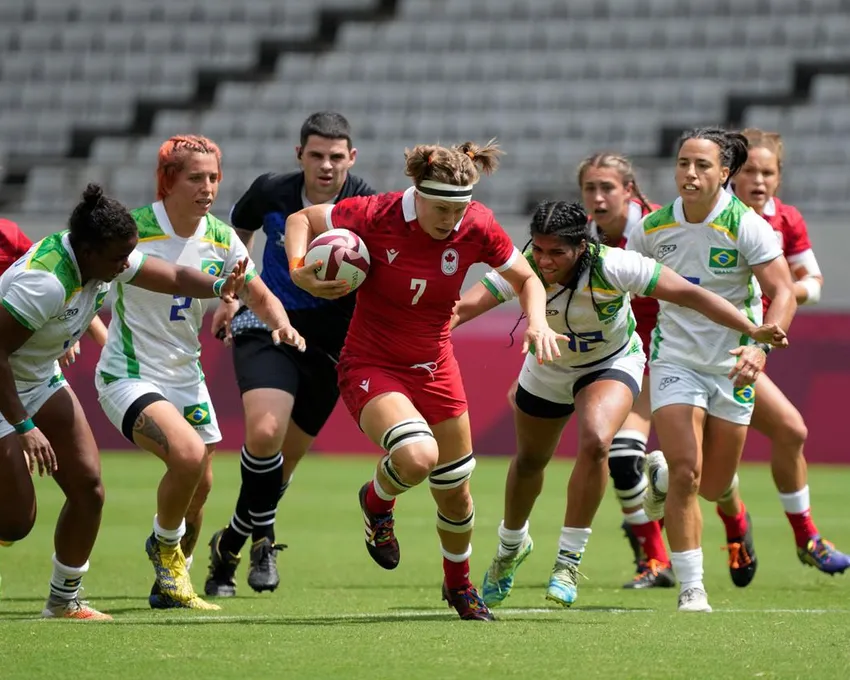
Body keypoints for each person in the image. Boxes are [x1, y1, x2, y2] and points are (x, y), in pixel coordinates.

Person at [451, 200, 784, 608]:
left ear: (581, 246)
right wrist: (423, 335)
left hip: (612, 361)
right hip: (549, 368)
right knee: (530, 462)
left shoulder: (616, 265)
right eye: (538, 249)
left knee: (596, 442)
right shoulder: (525, 267)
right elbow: (465, 307)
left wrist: (752, 328)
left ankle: (567, 563)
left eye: (557, 252)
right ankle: (510, 547)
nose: (545, 260)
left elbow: (690, 294)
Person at [285, 139, 563, 621]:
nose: (451, 220)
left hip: (436, 365)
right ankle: (376, 503)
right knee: (417, 455)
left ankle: (459, 586)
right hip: (371, 362)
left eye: (460, 208)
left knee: (455, 489)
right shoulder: (377, 213)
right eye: (441, 208)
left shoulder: (476, 223)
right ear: (418, 193)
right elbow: (302, 220)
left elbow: (528, 278)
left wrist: (536, 321)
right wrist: (298, 271)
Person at [0, 183, 246, 620]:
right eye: (117, 258)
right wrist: (23, 426)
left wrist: (220, 285)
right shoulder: (44, 282)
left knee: (89, 488)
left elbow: (170, 276)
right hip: (4, 386)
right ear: (90, 249)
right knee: (15, 522)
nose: (123, 266)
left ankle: (63, 601)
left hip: (37, 378)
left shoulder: (99, 254)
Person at [95, 136, 305, 610]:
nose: (208, 187)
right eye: (195, 177)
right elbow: (150, 280)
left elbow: (256, 291)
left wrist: (282, 324)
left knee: (201, 485)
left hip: (184, 376)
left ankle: (173, 582)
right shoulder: (135, 230)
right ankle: (162, 547)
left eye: (213, 177)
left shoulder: (220, 236)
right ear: (169, 180)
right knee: (188, 457)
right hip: (129, 373)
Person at [205, 112, 375, 597]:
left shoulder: (364, 202)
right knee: (264, 432)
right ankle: (266, 540)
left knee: (278, 471)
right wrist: (230, 296)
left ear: (351, 158)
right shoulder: (271, 190)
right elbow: (238, 229)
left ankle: (230, 547)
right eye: (316, 155)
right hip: (267, 325)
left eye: (336, 157)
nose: (326, 165)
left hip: (332, 345)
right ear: (298, 154)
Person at [633, 127, 796, 612]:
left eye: (703, 165)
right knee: (688, 471)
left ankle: (660, 482)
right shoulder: (652, 228)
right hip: (676, 359)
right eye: (684, 163)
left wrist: (759, 350)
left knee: (711, 484)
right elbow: (622, 288)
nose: (690, 172)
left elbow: (783, 292)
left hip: (734, 366)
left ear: (725, 173)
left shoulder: (746, 225)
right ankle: (692, 588)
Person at [714, 128, 848, 576]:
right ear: (731, 173)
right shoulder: (707, 215)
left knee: (792, 431)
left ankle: (806, 536)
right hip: (694, 351)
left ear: (778, 177)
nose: (758, 179)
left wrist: (792, 293)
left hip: (742, 352)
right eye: (749, 169)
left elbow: (812, 279)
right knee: (708, 473)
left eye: (767, 171)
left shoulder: (785, 220)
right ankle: (735, 528)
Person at [578, 152, 673, 589]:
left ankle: (735, 529)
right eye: (590, 189)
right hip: (627, 354)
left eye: (607, 188)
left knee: (706, 471)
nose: (598, 197)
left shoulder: (658, 229)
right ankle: (654, 559)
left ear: (629, 190)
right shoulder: (579, 236)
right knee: (622, 457)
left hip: (676, 351)